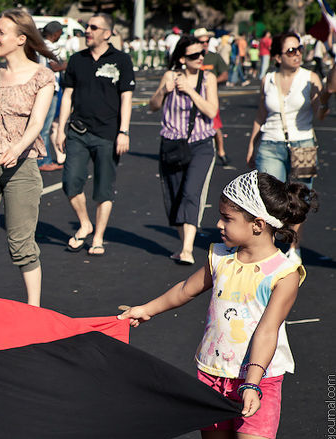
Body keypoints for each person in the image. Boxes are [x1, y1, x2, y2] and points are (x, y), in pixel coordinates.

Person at [119, 170, 317, 439]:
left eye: (227, 218)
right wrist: (146, 310)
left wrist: (253, 381)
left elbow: (266, 329)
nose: (219, 224)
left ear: (258, 225)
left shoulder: (283, 273)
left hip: (257, 383)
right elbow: (184, 291)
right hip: (212, 375)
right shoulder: (219, 259)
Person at [0, 8, 55, 306]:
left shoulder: (42, 76)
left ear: (21, 39)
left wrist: (17, 149)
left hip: (22, 167)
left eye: (1, 32)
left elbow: (37, 123)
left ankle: (34, 308)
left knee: (21, 244)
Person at [54, 13, 135, 257]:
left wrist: (124, 131)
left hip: (108, 134)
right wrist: (60, 127)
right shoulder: (77, 59)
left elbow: (126, 98)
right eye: (87, 26)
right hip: (78, 131)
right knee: (70, 183)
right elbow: (67, 95)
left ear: (107, 33)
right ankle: (85, 223)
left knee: (103, 189)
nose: (87, 30)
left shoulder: (121, 60)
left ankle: (97, 237)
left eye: (93, 27)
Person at [246, 32, 323, 263]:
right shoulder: (267, 79)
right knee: (269, 198)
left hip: (303, 144)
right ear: (278, 57)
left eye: (299, 48)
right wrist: (252, 144)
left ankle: (293, 248)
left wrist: (325, 98)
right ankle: (267, 248)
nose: (297, 53)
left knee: (300, 199)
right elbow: (261, 114)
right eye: (290, 50)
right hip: (270, 142)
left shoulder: (310, 78)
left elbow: (320, 113)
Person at [148, 35, 218, 266]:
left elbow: (211, 111)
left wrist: (190, 91)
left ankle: (187, 249)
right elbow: (153, 106)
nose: (199, 58)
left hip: (200, 144)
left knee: (191, 192)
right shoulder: (170, 76)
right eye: (193, 55)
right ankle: (183, 246)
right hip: (172, 144)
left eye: (201, 54)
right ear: (181, 58)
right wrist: (164, 91)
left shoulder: (208, 79)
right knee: (175, 196)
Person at [195, 28, 230, 165]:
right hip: (193, 97)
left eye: (207, 41)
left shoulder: (214, 57)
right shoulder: (192, 57)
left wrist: (211, 82)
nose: (205, 44)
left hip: (209, 98)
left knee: (215, 127)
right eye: (201, 41)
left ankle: (221, 151)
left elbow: (225, 74)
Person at [37, 20, 66, 172]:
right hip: (49, 89)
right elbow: (55, 66)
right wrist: (68, 64)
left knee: (43, 126)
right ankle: (43, 161)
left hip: (41, 87)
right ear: (55, 34)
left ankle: (41, 159)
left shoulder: (39, 44)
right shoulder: (49, 46)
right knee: (45, 128)